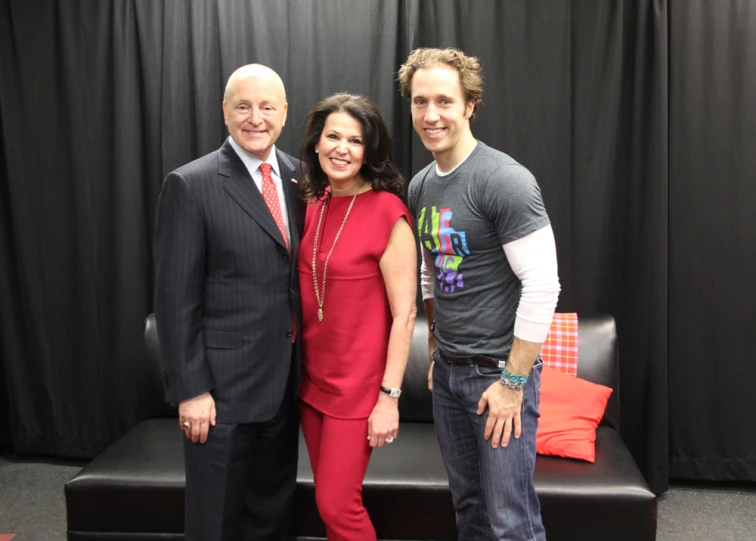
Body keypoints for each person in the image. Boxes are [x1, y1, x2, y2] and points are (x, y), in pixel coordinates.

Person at [399, 48, 561, 540]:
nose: (431, 115)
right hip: (449, 374)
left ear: (470, 105)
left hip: (497, 377)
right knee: (468, 508)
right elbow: (431, 274)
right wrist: (434, 351)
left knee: (509, 519)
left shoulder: (503, 180)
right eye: (420, 101)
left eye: (445, 101)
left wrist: (513, 384)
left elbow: (543, 285)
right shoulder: (423, 185)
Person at [153, 64, 305, 541]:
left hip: (285, 387)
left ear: (284, 113)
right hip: (219, 396)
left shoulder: (302, 178)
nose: (255, 117)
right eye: (243, 106)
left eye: (266, 107)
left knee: (271, 515)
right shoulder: (191, 184)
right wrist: (191, 391)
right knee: (215, 521)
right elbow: (174, 300)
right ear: (225, 112)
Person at [296, 94, 417, 541]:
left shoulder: (389, 213)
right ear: (316, 143)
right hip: (312, 384)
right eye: (333, 136)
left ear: (371, 151)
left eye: (355, 140)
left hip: (359, 389)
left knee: (336, 504)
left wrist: (389, 398)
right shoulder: (312, 204)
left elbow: (405, 315)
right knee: (331, 513)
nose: (341, 148)